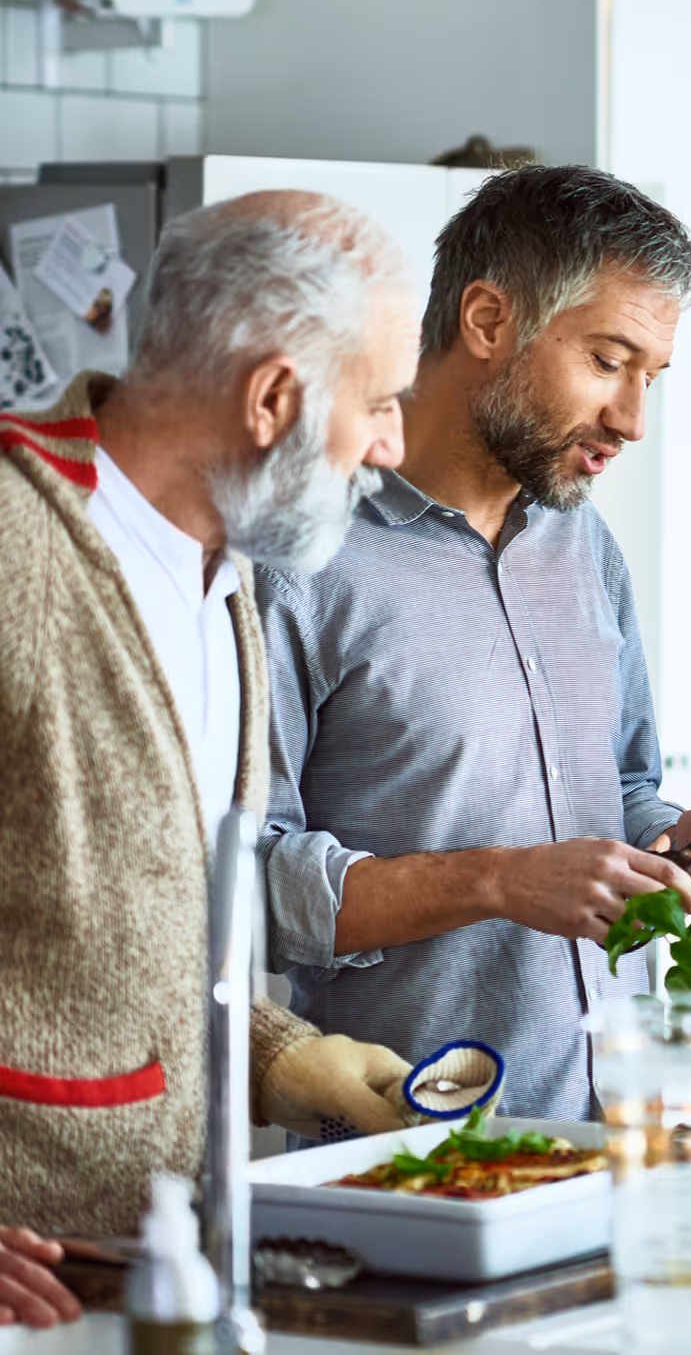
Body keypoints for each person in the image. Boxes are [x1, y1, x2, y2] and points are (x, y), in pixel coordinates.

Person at [257, 165, 691, 1125]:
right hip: (409, 1155)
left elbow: (620, 794)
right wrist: (500, 879)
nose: (633, 420)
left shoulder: (584, 543)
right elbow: (247, 883)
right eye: (607, 360)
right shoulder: (296, 556)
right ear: (486, 320)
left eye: (651, 378)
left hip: (621, 1137)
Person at [0, 190, 425, 1327]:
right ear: (273, 398)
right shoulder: (18, 548)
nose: (392, 445)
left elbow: (120, 930)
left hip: (144, 1277)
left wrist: (286, 1054)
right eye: (379, 402)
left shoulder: (224, 579)